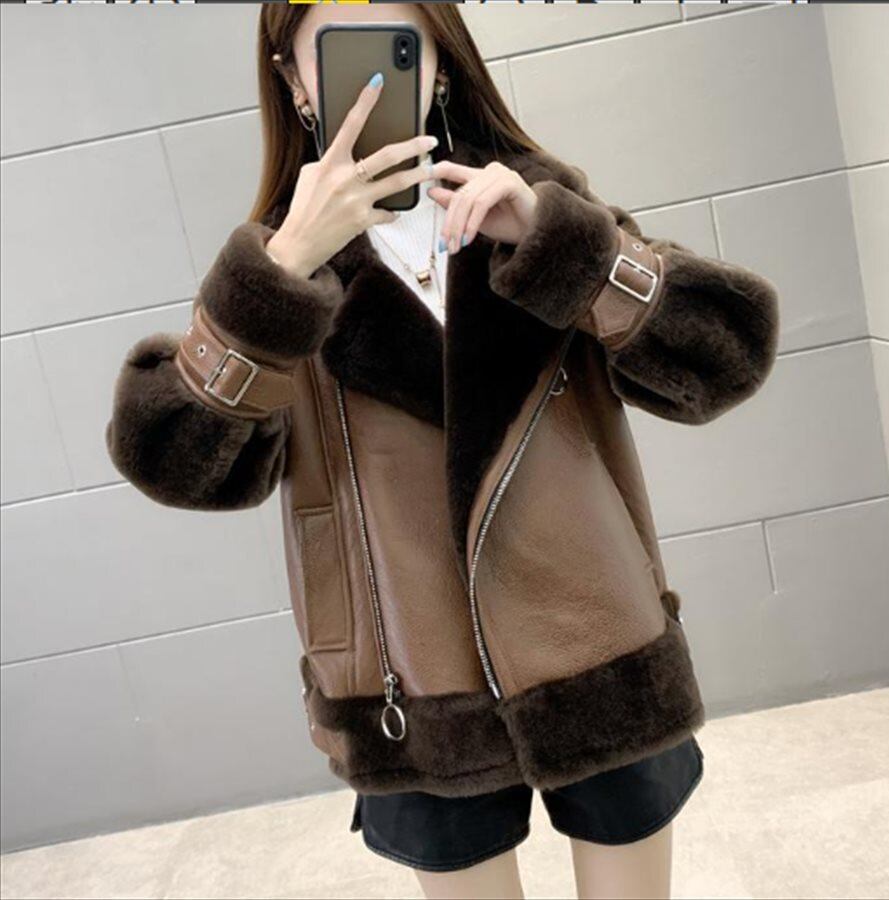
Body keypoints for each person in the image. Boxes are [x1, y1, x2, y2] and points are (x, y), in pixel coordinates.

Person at [105, 5, 779, 898]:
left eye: (398, 47)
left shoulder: (540, 210)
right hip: (412, 696)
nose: (372, 80)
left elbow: (726, 356)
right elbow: (176, 460)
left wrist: (565, 248)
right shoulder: (278, 277)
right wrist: (283, 273)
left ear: (442, 66)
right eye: (336, 54)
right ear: (295, 81)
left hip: (599, 651)